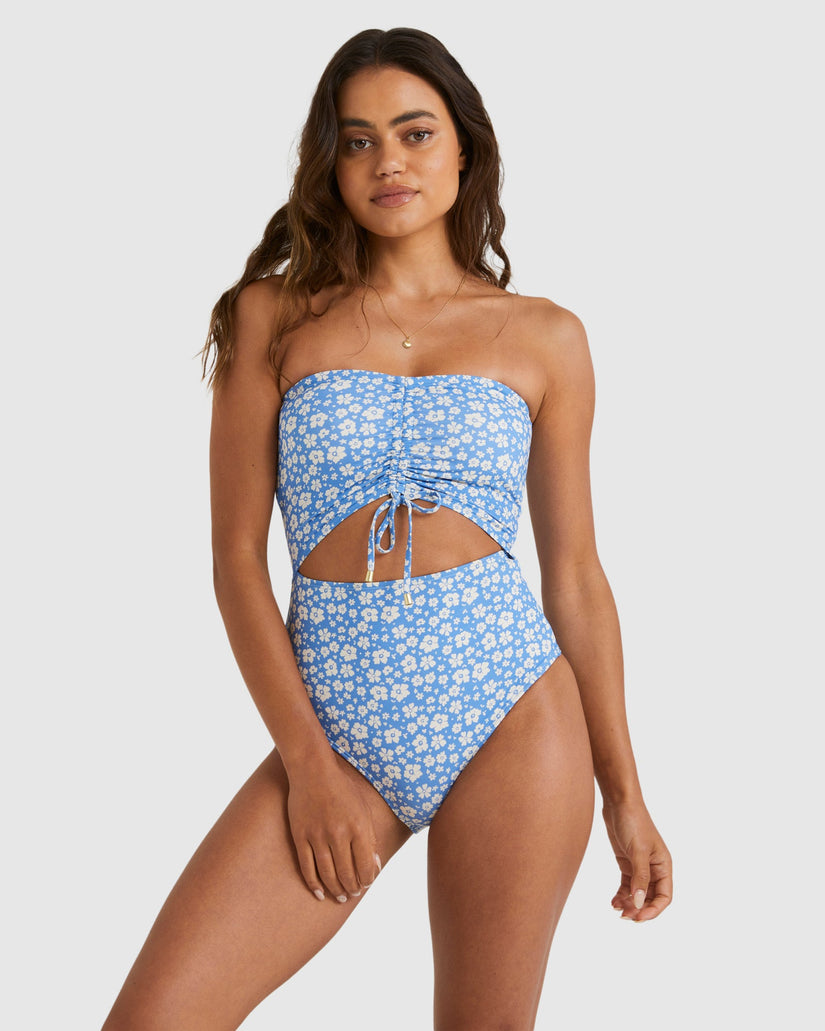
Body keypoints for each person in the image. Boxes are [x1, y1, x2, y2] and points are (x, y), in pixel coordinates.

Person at [103, 26, 672, 1031]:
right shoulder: (272, 317)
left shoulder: (546, 335)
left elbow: (576, 574)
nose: (388, 162)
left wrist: (623, 790)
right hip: (334, 725)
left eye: (414, 133)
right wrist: (307, 761)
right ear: (331, 163)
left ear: (465, 148)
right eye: (357, 140)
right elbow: (235, 560)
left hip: (512, 708)